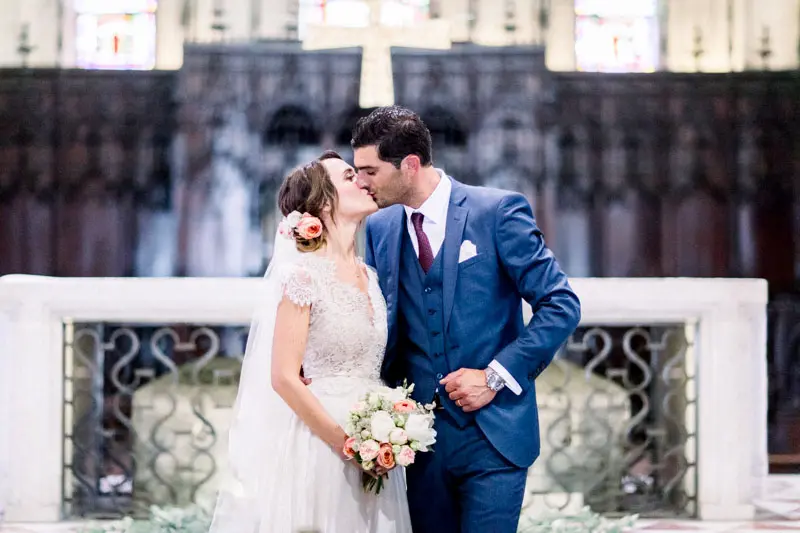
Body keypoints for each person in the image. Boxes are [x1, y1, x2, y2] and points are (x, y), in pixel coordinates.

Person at [354, 105, 581, 533]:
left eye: (369, 171)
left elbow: (561, 304)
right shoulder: (380, 228)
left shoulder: (497, 212)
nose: (361, 183)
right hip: (416, 443)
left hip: (493, 437)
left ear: (409, 164)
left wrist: (494, 376)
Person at [209, 151, 412, 533]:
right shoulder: (302, 276)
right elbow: (284, 377)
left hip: (377, 441)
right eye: (350, 177)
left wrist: (388, 431)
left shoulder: (369, 274)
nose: (363, 181)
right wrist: (348, 446)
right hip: (324, 444)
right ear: (323, 202)